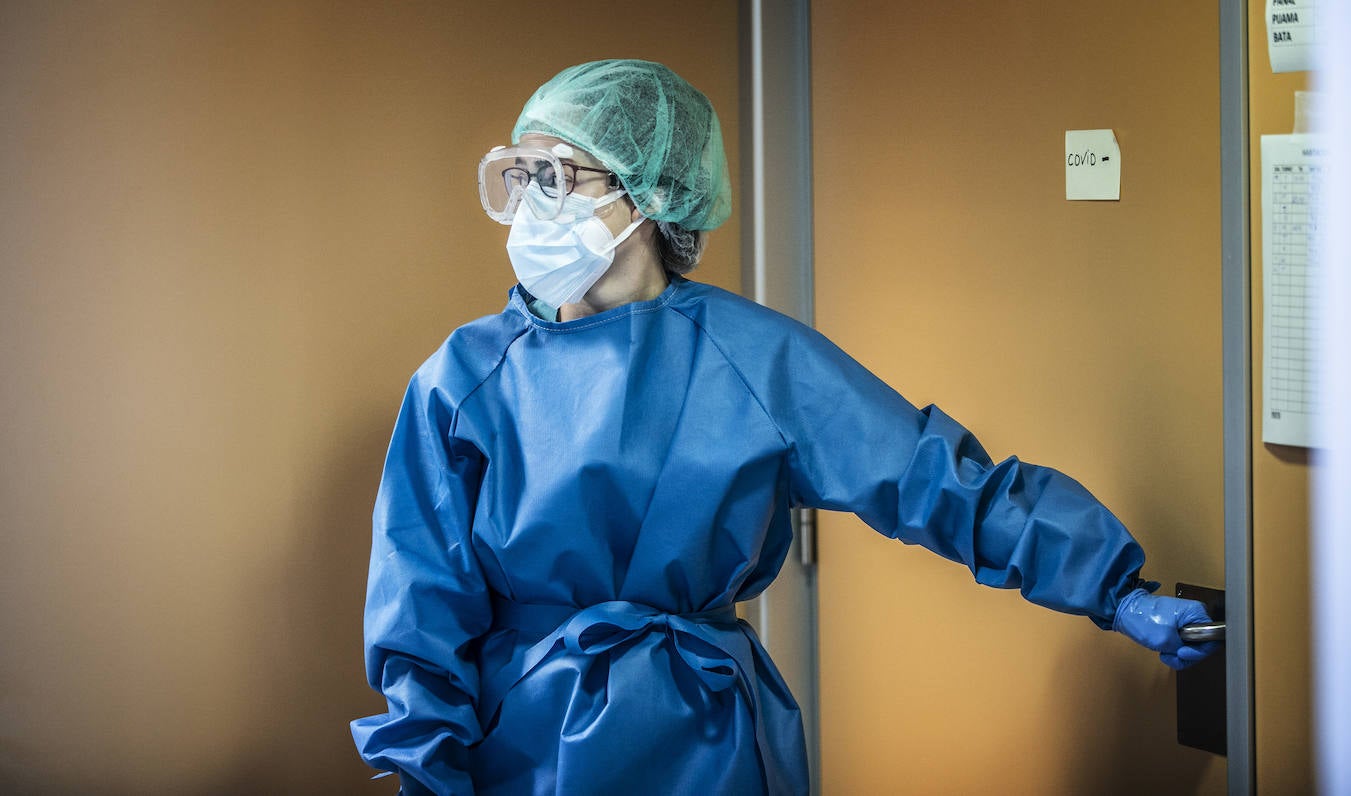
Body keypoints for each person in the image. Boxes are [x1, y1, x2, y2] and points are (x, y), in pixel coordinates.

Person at [351, 59, 1218, 795]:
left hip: (700, 736)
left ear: (649, 191)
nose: (530, 206)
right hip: (523, 741)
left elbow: (927, 474)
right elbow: (419, 606)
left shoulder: (752, 359)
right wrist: (429, 770)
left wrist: (1112, 588)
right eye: (519, 176)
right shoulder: (467, 378)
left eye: (558, 176)